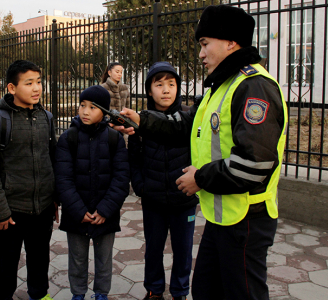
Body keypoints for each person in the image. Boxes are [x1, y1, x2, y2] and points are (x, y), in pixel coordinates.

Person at [114, 5, 288, 300]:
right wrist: (141, 121)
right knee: (206, 290)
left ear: (230, 42)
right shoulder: (221, 87)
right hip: (221, 220)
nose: (201, 54)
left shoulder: (253, 87)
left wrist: (201, 178)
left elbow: (254, 165)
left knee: (243, 293)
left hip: (245, 222)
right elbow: (184, 126)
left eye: (205, 44)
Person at [0, 60, 57, 300]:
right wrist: (1, 211)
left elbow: (52, 160)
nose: (37, 88)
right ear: (12, 88)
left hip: (42, 207)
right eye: (29, 83)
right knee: (6, 263)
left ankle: (39, 294)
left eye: (39, 82)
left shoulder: (47, 117)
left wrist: (54, 199)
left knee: (40, 258)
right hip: (11, 212)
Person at [128, 62, 198, 300]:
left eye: (171, 84)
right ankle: (154, 290)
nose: (166, 90)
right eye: (159, 85)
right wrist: (141, 187)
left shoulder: (189, 118)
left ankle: (180, 292)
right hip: (153, 200)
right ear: (149, 90)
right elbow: (134, 157)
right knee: (154, 249)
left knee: (183, 250)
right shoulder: (140, 120)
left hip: (184, 200)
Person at [54, 85, 130, 300]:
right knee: (77, 257)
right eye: (82, 105)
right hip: (76, 213)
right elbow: (63, 179)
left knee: (104, 258)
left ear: (105, 112)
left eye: (93, 107)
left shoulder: (114, 139)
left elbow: (121, 179)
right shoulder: (68, 138)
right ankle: (78, 293)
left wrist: (105, 209)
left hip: (105, 212)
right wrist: (78, 210)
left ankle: (101, 293)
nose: (85, 112)